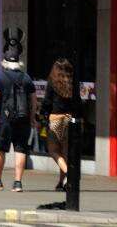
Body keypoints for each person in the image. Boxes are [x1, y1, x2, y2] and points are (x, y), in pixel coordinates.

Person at [0, 31, 36, 192]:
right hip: (23, 119)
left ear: (5, 59)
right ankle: (18, 183)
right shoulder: (26, 77)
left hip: (5, 120)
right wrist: (32, 117)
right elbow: (34, 100)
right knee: (20, 149)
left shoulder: (0, 76)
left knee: (1, 149)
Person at [40, 58, 82, 192]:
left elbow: (47, 101)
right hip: (69, 118)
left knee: (53, 151)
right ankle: (61, 182)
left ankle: (70, 176)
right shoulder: (72, 83)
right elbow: (78, 101)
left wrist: (42, 114)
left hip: (56, 118)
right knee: (65, 152)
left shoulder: (53, 81)